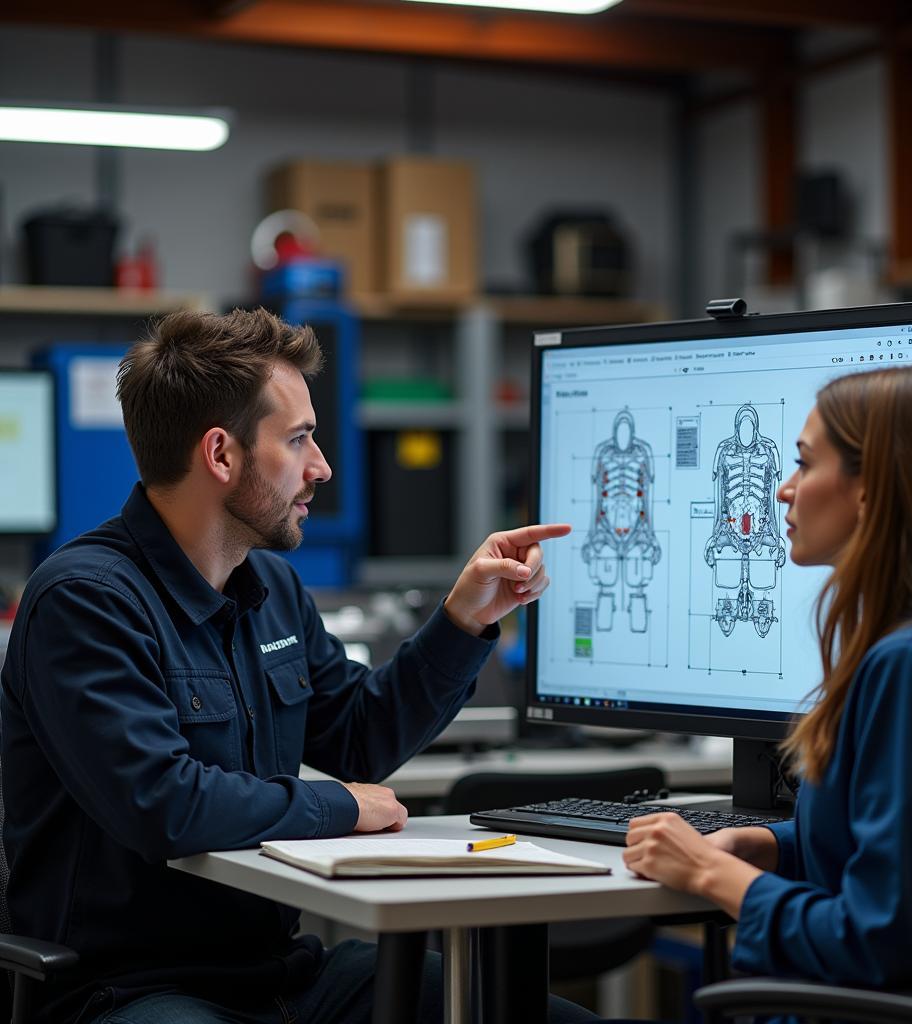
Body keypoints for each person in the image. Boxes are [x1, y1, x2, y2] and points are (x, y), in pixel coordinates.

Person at [0, 308, 591, 1024]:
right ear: (221, 455)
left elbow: (357, 737)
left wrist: (464, 621)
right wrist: (342, 805)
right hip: (131, 988)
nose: (322, 468)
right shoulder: (85, 602)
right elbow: (164, 804)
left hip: (284, 976)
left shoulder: (270, 588)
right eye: (299, 439)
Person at [622, 365, 912, 999]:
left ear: (871, 491)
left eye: (806, 464)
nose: (783, 490)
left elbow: (878, 938)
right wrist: (772, 845)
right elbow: (907, 857)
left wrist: (707, 872)